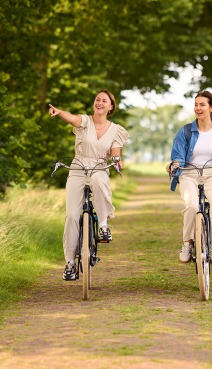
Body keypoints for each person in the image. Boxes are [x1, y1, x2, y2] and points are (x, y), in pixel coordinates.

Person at [49, 89, 130, 281]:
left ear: (111, 107)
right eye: (97, 100)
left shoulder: (116, 130)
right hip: (78, 166)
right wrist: (60, 113)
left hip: (99, 166)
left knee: (99, 182)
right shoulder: (85, 121)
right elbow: (73, 119)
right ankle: (69, 263)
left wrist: (118, 161)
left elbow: (116, 152)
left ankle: (103, 225)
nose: (99, 102)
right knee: (71, 216)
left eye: (104, 101)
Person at [168, 90, 212, 264]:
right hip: (189, 173)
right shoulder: (185, 131)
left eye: (202, 105)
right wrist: (175, 164)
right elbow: (177, 155)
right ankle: (187, 244)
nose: (198, 108)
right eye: (196, 104)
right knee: (191, 205)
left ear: (211, 108)